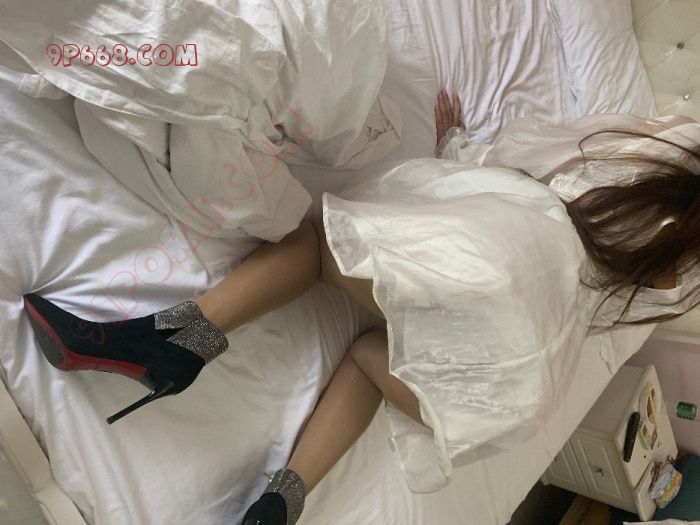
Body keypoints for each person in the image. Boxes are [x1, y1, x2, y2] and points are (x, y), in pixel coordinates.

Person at [24, 92, 700, 525]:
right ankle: (280, 501)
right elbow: (617, 305)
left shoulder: (672, 146)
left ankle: (167, 343)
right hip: (520, 381)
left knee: (320, 241)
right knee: (369, 359)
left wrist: (459, 145)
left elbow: (540, 159)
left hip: (514, 270)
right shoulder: (685, 269)